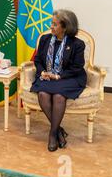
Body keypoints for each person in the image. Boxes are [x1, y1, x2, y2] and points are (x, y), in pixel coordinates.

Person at [30, 9, 87, 152]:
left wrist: (57, 76)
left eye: (55, 24)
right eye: (51, 23)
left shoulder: (77, 44)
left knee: (59, 96)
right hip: (47, 76)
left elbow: (77, 67)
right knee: (42, 94)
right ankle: (59, 131)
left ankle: (52, 134)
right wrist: (42, 71)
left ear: (65, 27)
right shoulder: (45, 40)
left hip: (69, 78)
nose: (51, 26)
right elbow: (37, 60)